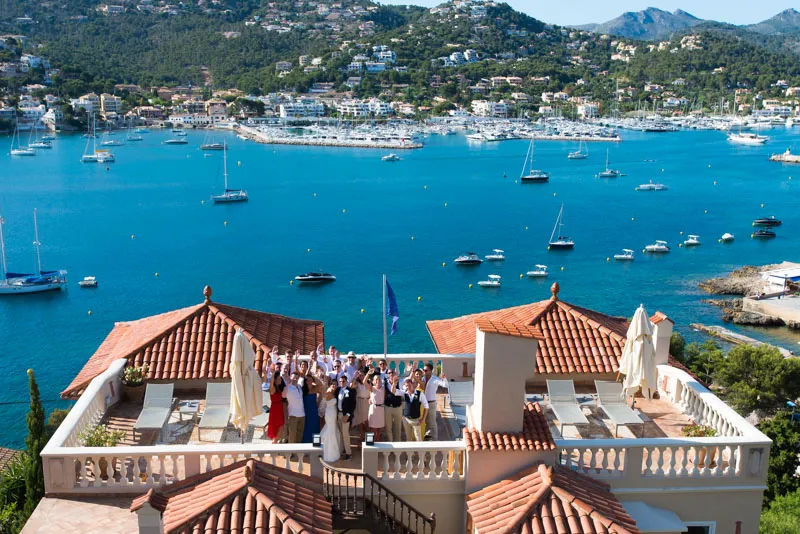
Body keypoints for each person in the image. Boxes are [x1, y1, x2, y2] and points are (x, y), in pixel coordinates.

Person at [422, 364, 447, 440]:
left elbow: (444, 385)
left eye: (426, 370)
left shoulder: (435, 379)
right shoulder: (423, 378)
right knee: (425, 422)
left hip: (431, 403)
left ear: (431, 371)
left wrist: (444, 378)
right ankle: (427, 437)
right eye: (424, 370)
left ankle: (435, 439)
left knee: (432, 422)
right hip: (423, 404)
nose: (424, 372)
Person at [335, 374, 357, 460]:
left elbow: (353, 404)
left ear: (346, 382)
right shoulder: (338, 390)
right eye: (340, 381)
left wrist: (348, 415)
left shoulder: (351, 391)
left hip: (345, 415)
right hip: (339, 414)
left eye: (343, 381)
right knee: (341, 434)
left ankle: (349, 453)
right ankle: (342, 450)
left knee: (345, 434)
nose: (341, 383)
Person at [299, 361, 321, 443]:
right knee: (306, 428)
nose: (309, 381)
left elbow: (321, 387)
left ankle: (316, 444)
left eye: (310, 380)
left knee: (315, 428)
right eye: (307, 380)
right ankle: (305, 445)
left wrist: (318, 402)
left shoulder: (315, 388)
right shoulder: (302, 389)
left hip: (314, 411)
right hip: (305, 411)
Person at [319, 385, 341, 462]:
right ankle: (328, 453)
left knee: (332, 429)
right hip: (329, 413)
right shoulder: (328, 392)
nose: (334, 386)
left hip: (334, 413)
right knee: (329, 429)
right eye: (333, 385)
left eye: (335, 385)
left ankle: (333, 451)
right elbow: (323, 398)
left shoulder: (335, 393)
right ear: (330, 386)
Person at [283, 371, 305, 443]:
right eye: (294, 377)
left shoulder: (299, 386)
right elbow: (283, 395)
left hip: (302, 415)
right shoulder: (288, 388)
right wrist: (288, 383)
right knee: (292, 436)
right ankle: (289, 454)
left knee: (299, 435)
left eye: (297, 377)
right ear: (291, 378)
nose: (295, 378)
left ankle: (296, 454)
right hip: (293, 415)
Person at [364, 370, 385, 441]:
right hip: (373, 409)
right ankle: (371, 444)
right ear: (373, 381)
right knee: (373, 428)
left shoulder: (384, 388)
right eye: (376, 379)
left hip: (381, 410)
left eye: (379, 379)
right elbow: (364, 382)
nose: (377, 381)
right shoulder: (372, 388)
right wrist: (368, 373)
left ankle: (378, 442)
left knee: (379, 429)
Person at [383, 367, 403, 441]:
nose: (391, 374)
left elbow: (409, 380)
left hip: (398, 408)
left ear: (395, 374)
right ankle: (390, 444)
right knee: (388, 427)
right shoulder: (384, 383)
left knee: (398, 427)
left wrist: (412, 370)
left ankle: (397, 444)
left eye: (392, 372)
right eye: (389, 373)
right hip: (388, 407)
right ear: (387, 375)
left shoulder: (400, 382)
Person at [265, 371, 285, 443]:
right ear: (275, 380)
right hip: (275, 408)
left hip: (279, 407)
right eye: (279, 379)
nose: (280, 380)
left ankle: (275, 441)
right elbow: (271, 383)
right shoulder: (273, 389)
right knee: (279, 425)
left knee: (281, 426)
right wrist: (273, 374)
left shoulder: (279, 388)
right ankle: (275, 441)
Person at [352, 371, 370, 439]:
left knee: (367, 421)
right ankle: (361, 435)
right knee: (360, 420)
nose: (361, 377)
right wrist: (355, 377)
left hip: (367, 403)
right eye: (360, 375)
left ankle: (368, 436)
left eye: (363, 375)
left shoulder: (369, 383)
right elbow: (351, 386)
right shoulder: (357, 383)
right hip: (359, 402)